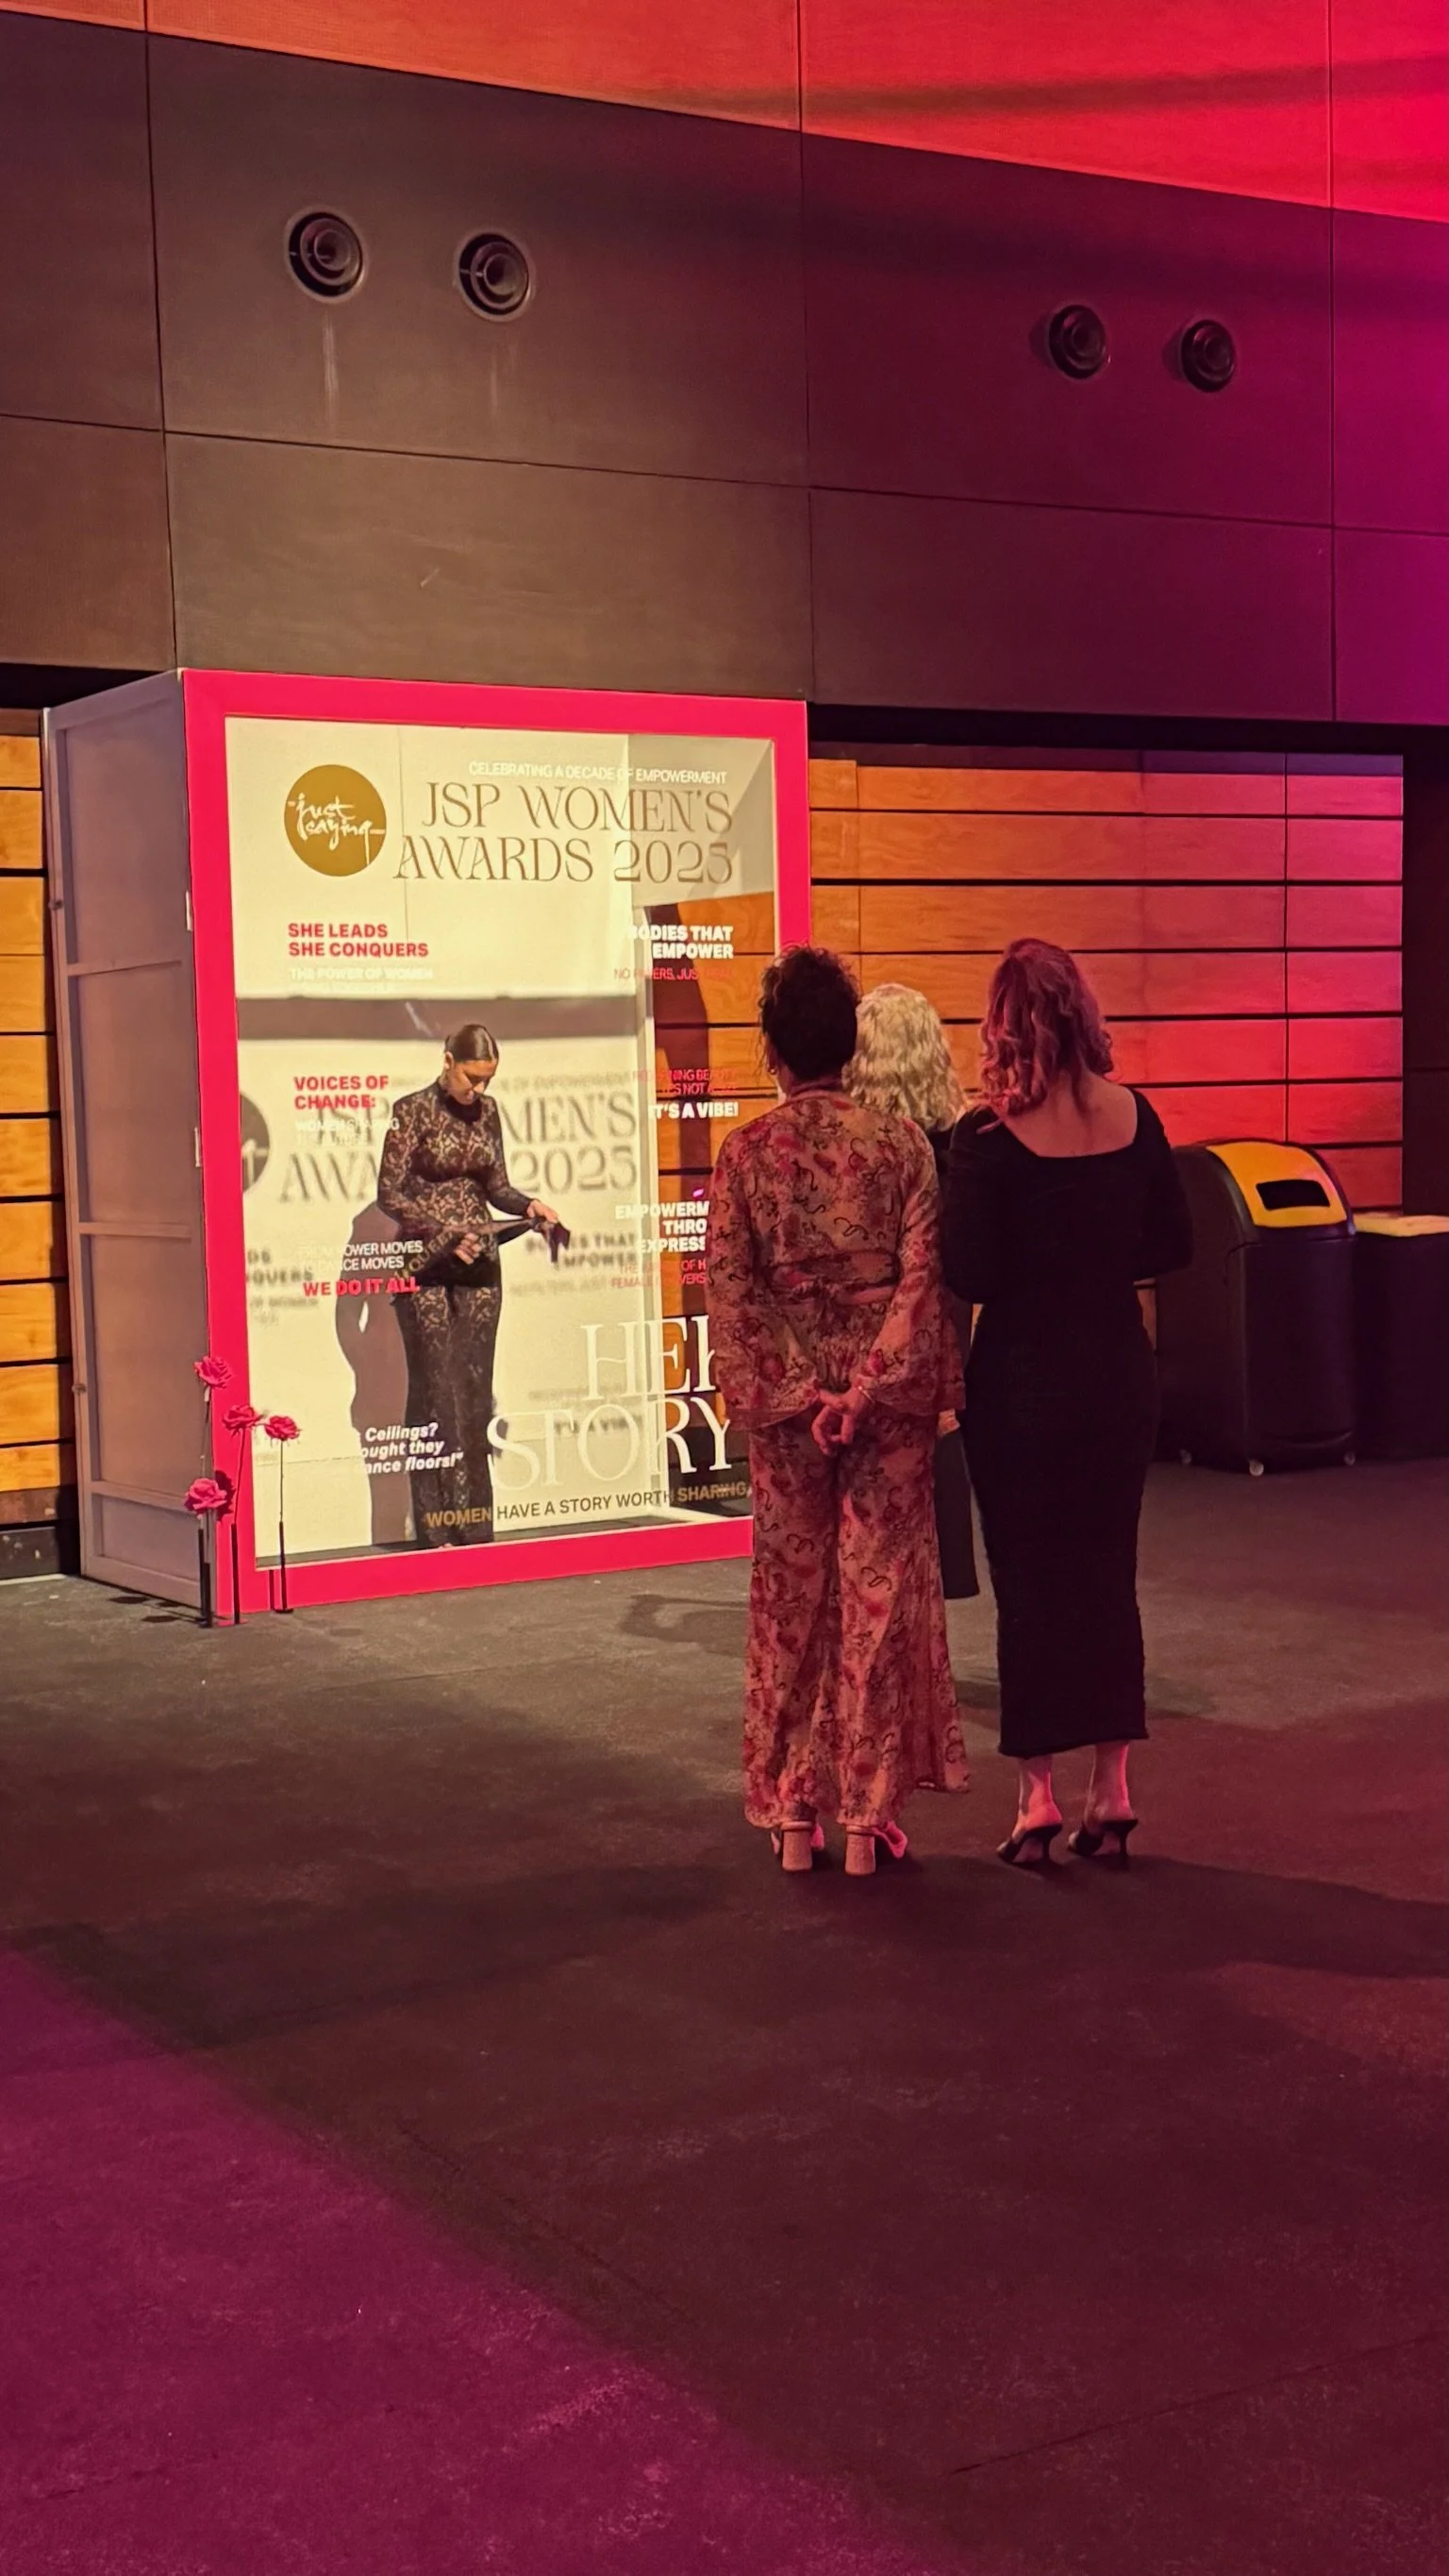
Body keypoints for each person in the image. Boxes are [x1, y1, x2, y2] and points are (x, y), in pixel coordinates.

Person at [706, 946, 969, 1878]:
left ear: (773, 1049)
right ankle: (865, 1820)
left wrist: (798, 1392)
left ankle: (791, 1820)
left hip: (787, 1413)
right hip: (884, 1408)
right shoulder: (899, 1147)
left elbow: (731, 1297)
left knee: (789, 1605)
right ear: (847, 1046)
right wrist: (862, 1391)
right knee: (876, 1597)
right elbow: (922, 1285)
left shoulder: (746, 1154)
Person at [941, 940, 1192, 1865]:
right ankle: (1114, 1784)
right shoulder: (1137, 1117)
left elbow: (964, 1270)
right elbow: (1170, 1240)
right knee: (1106, 1575)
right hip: (1115, 1373)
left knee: (1031, 1588)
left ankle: (1037, 1794)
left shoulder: (987, 1141)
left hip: (1020, 1382)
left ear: (1005, 1026)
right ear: (1084, 1013)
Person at [377, 1026, 560, 1548]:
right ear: (447, 1061)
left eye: (486, 1081)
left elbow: (495, 1186)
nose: (476, 1091)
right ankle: (433, 1528)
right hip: (426, 1260)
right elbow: (389, 1194)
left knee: (475, 1388)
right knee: (434, 1388)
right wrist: (440, 1231)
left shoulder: (489, 1112)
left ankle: (475, 1527)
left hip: (479, 1257)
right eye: (470, 1078)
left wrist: (528, 1205)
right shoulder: (410, 1110)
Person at [845, 981, 979, 1601]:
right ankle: (943, 1577)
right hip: (945, 1303)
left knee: (876, 1449)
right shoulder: (964, 1139)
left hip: (877, 1306)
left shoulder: (860, 1146)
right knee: (941, 1427)